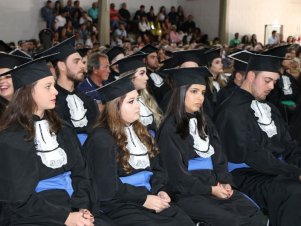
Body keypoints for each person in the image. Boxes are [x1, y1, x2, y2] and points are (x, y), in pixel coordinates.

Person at [157, 66, 266, 225]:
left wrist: (225, 181)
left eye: (202, 92)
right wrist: (210, 190)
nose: (200, 98)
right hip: (187, 193)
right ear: (180, 93)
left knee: (254, 213)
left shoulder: (205, 121)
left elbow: (219, 158)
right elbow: (176, 174)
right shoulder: (169, 129)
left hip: (214, 186)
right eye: (194, 91)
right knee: (233, 220)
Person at [83, 75, 195, 226]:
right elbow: (106, 188)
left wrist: (160, 190)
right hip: (120, 205)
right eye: (131, 102)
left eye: (137, 100)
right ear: (114, 106)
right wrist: (144, 199)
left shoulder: (141, 132)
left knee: (183, 221)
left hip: (150, 197)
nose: (138, 106)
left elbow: (158, 169)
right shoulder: (101, 139)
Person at [0, 55, 96, 226]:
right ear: (28, 92)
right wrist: (66, 217)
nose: (56, 91)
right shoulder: (12, 138)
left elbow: (80, 173)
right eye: (48, 87)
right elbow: (19, 200)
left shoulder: (63, 128)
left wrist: (82, 207)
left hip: (72, 205)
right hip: (36, 215)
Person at [214, 53, 301, 226]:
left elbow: (289, 145)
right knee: (294, 190)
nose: (271, 86)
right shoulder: (232, 111)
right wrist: (294, 173)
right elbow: (254, 155)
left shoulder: (269, 108)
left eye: (275, 82)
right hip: (246, 174)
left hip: (275, 169)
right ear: (251, 76)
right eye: (267, 80)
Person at [35, 37, 99, 135]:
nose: (83, 66)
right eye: (76, 61)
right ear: (62, 66)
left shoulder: (88, 100)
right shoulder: (50, 104)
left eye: (82, 61)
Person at [114, 53, 162, 135]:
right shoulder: (120, 103)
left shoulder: (146, 97)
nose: (147, 77)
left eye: (146, 73)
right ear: (130, 77)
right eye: (142, 73)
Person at [265, 45, 301, 122]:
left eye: (291, 57)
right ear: (279, 58)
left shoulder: (289, 76)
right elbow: (272, 101)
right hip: (279, 118)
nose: (291, 60)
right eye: (288, 57)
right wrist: (287, 105)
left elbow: (297, 93)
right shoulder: (272, 78)